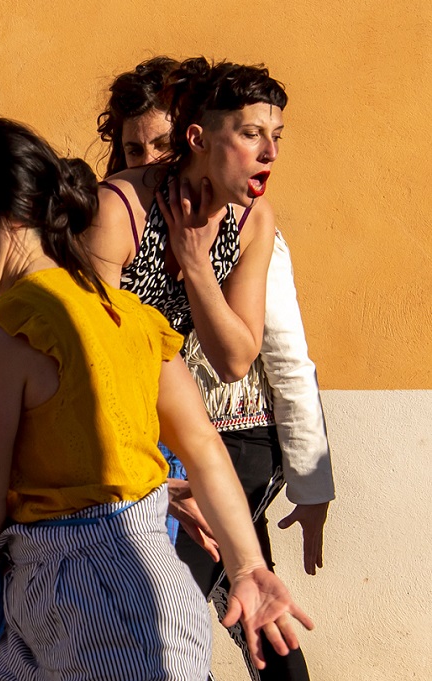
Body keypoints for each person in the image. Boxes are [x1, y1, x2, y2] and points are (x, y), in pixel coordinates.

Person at [0, 116, 312, 680]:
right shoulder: (137, 321)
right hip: (154, 587)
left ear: (16, 209)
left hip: (70, 596)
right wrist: (247, 566)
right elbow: (204, 449)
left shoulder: (2, 335)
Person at [88, 57, 331, 680]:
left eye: (277, 137)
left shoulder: (252, 220)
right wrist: (153, 488)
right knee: (145, 636)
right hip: (107, 447)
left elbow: (236, 358)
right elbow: (84, 365)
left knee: (245, 605)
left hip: (196, 437)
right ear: (202, 139)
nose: (270, 153)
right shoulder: (121, 207)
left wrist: (196, 266)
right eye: (253, 135)